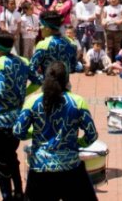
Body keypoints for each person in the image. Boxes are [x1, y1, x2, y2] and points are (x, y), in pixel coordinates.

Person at [13, 61, 99, 201]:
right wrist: (77, 143)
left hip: (40, 171)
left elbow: (18, 131)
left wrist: (33, 132)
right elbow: (92, 135)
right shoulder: (77, 101)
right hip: (71, 170)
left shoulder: (33, 101)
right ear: (66, 80)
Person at [0, 31, 41, 199]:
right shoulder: (23, 62)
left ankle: (7, 195)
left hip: (2, 121)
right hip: (19, 119)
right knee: (11, 156)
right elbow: (38, 81)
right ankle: (19, 191)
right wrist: (22, 94)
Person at [31, 11, 78, 79]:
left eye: (41, 25)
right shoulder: (71, 44)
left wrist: (40, 81)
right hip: (65, 86)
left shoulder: (43, 45)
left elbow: (32, 68)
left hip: (48, 86)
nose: (40, 28)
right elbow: (73, 67)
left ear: (48, 28)